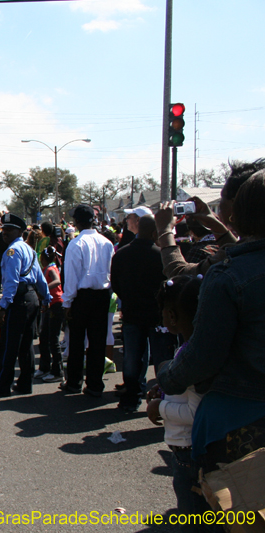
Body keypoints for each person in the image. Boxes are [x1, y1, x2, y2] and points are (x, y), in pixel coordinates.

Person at [157, 170, 265, 489]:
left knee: (229, 508)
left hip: (237, 425)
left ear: (236, 211)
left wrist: (167, 375)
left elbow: (203, 357)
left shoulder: (228, 276)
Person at [145, 275, 212, 529]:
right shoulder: (194, 347)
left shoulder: (192, 355)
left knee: (193, 520)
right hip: (188, 451)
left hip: (189, 453)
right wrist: (164, 390)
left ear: (172, 316)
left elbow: (196, 413)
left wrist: (159, 407)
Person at [111, 215, 176, 413]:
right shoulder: (161, 255)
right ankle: (165, 400)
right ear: (155, 233)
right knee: (162, 360)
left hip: (132, 313)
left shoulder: (121, 254)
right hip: (158, 315)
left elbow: (116, 284)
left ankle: (131, 399)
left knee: (132, 359)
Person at [0, 213, 51, 397]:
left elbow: (11, 282)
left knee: (9, 345)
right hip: (31, 298)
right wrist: (46, 298)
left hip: (18, 300)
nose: (4, 233)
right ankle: (25, 383)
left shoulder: (12, 251)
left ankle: (2, 386)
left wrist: (3, 307)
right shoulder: (29, 250)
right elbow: (39, 277)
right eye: (3, 229)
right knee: (26, 344)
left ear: (20, 232)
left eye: (9, 230)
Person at [60, 204, 114, 397]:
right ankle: (95, 384)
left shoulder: (76, 244)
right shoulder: (107, 243)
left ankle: (74, 382)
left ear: (76, 222)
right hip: (102, 295)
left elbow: (71, 277)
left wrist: (67, 302)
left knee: (76, 342)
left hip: (82, 297)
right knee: (97, 342)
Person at [37, 246, 65, 383]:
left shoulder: (51, 269)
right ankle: (44, 367)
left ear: (42, 258)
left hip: (56, 305)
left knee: (53, 339)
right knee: (44, 338)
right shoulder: (47, 268)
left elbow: (57, 281)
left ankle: (57, 371)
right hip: (49, 305)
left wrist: (44, 289)